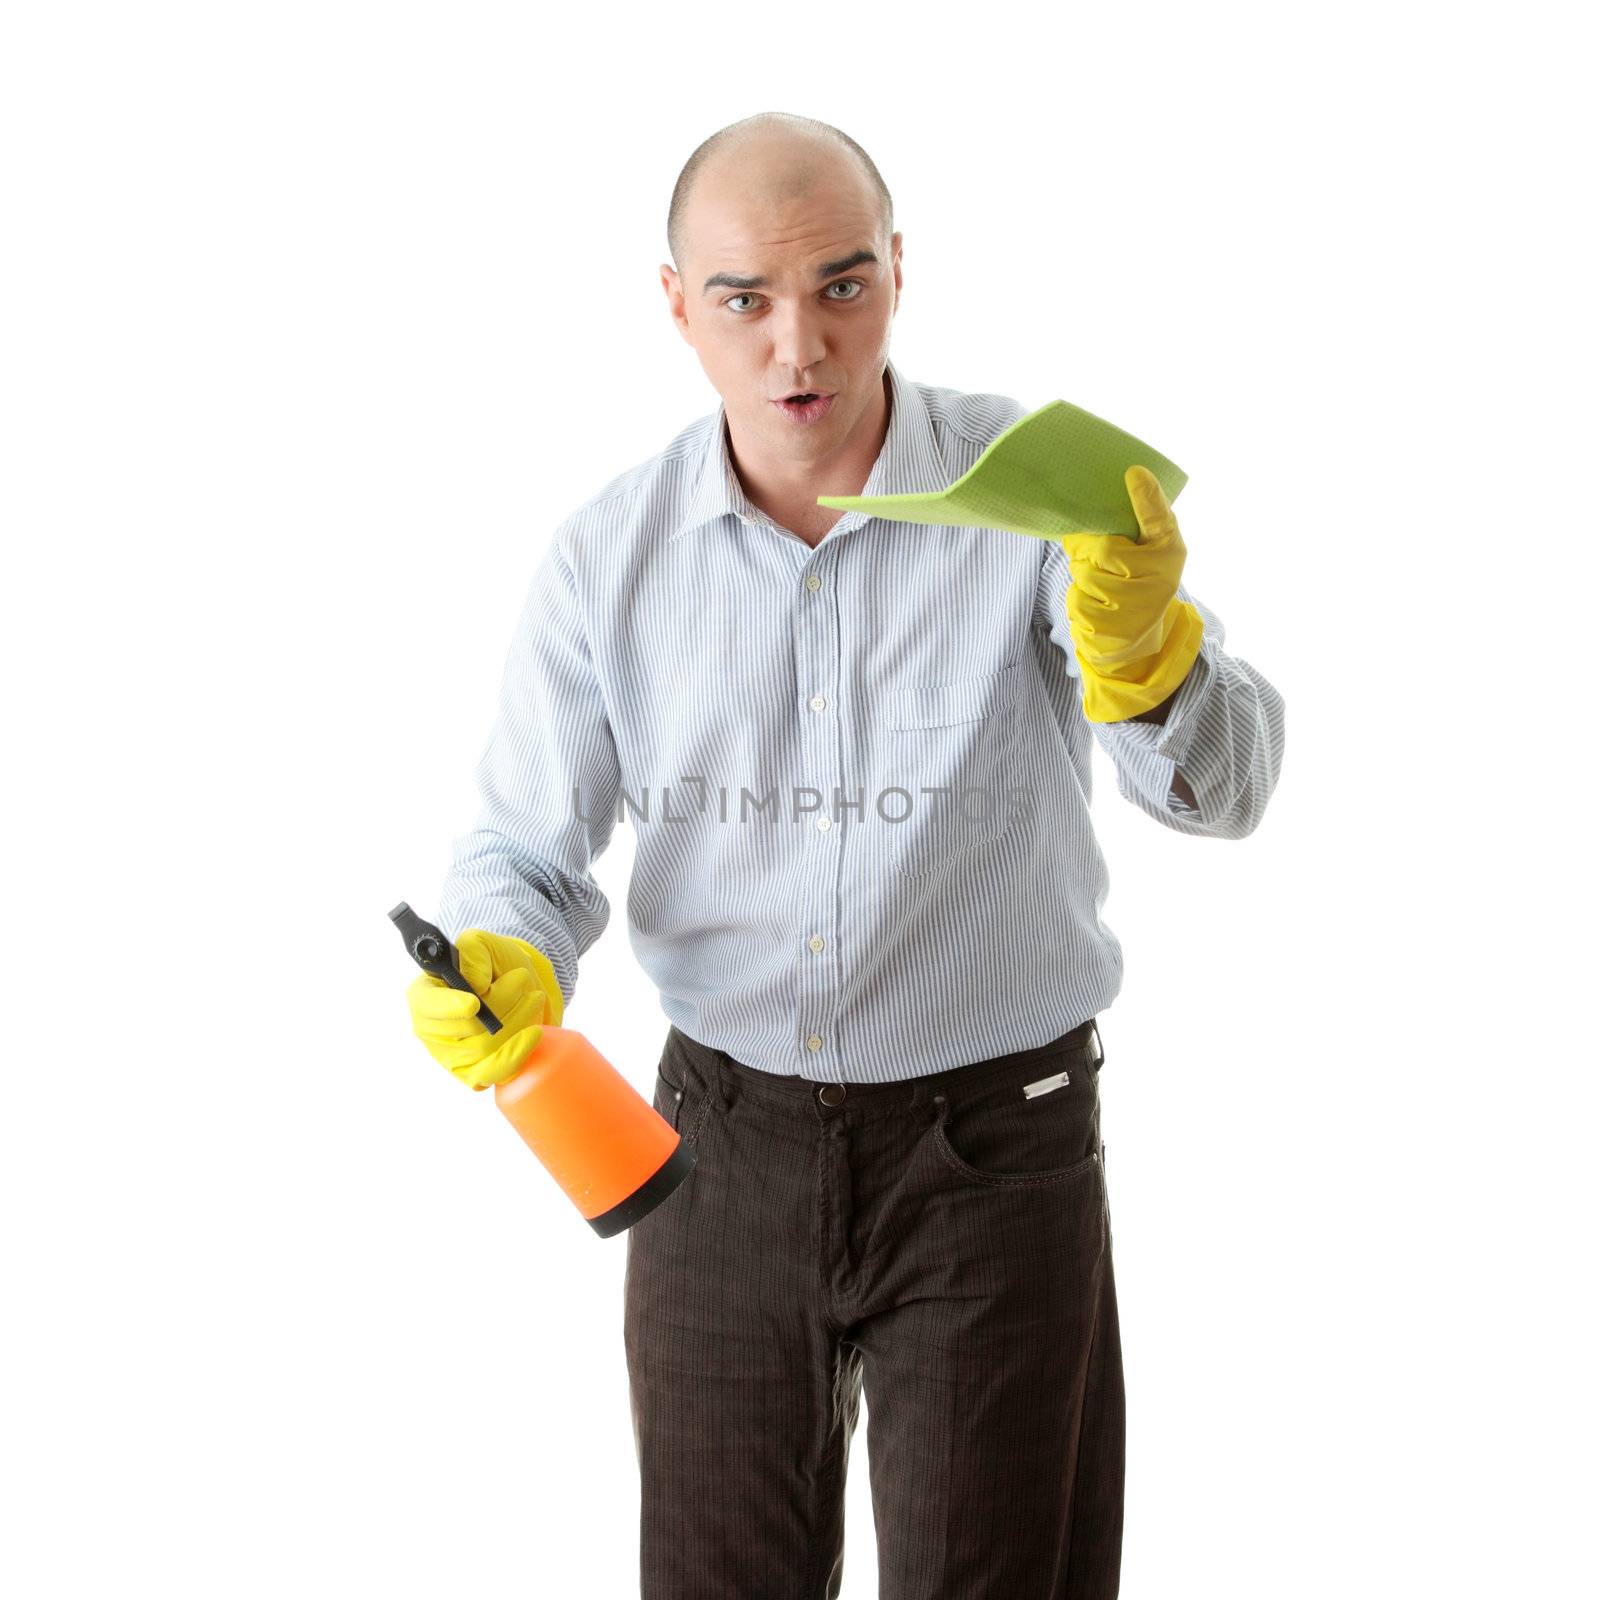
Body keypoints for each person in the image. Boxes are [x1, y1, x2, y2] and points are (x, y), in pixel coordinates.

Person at [407, 111, 1286, 1600]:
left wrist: (1149, 666)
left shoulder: (1038, 495)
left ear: (899, 274)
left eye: (842, 284)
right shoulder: (605, 559)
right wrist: (502, 946)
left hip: (995, 1153)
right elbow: (526, 849)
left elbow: (1230, 792)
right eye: (745, 300)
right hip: (717, 1157)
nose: (798, 345)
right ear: (679, 308)